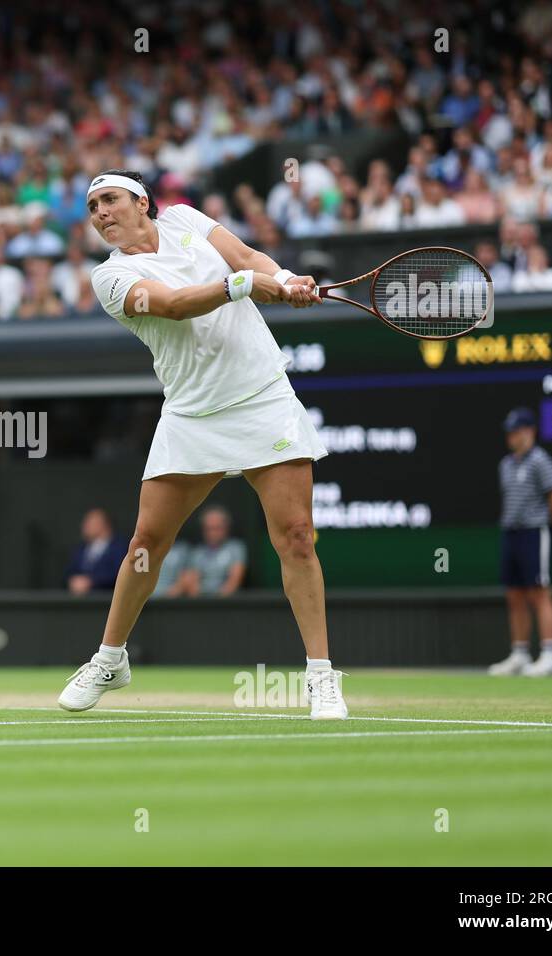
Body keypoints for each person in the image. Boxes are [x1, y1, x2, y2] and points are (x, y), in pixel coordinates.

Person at [58, 169, 347, 719]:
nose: (101, 212)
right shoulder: (111, 279)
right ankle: (109, 659)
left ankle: (321, 677)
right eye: (92, 206)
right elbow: (173, 304)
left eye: (110, 199)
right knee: (148, 541)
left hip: (263, 398)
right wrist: (243, 286)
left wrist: (284, 278)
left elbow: (246, 256)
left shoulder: (186, 218)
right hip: (192, 414)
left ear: (142, 201)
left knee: (298, 537)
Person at [489, 408, 552, 677]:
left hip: (535, 531)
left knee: (539, 591)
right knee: (515, 594)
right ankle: (520, 654)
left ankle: (550, 654)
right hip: (511, 532)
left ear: (530, 431)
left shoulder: (541, 460)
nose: (512, 436)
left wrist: (550, 525)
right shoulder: (506, 464)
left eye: (517, 430)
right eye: (510, 431)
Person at [165, 506, 247, 597]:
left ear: (226, 528)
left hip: (227, 603)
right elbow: (192, 581)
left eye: (217, 528)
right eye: (209, 528)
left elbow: (234, 580)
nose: (213, 533)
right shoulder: (197, 553)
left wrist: (217, 601)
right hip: (203, 602)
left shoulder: (235, 548)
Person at [65, 508, 128, 594]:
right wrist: (74, 581)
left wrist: (91, 582)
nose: (85, 526)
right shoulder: (80, 549)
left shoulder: (120, 548)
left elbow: (119, 574)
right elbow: (70, 571)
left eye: (91, 523)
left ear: (104, 524)